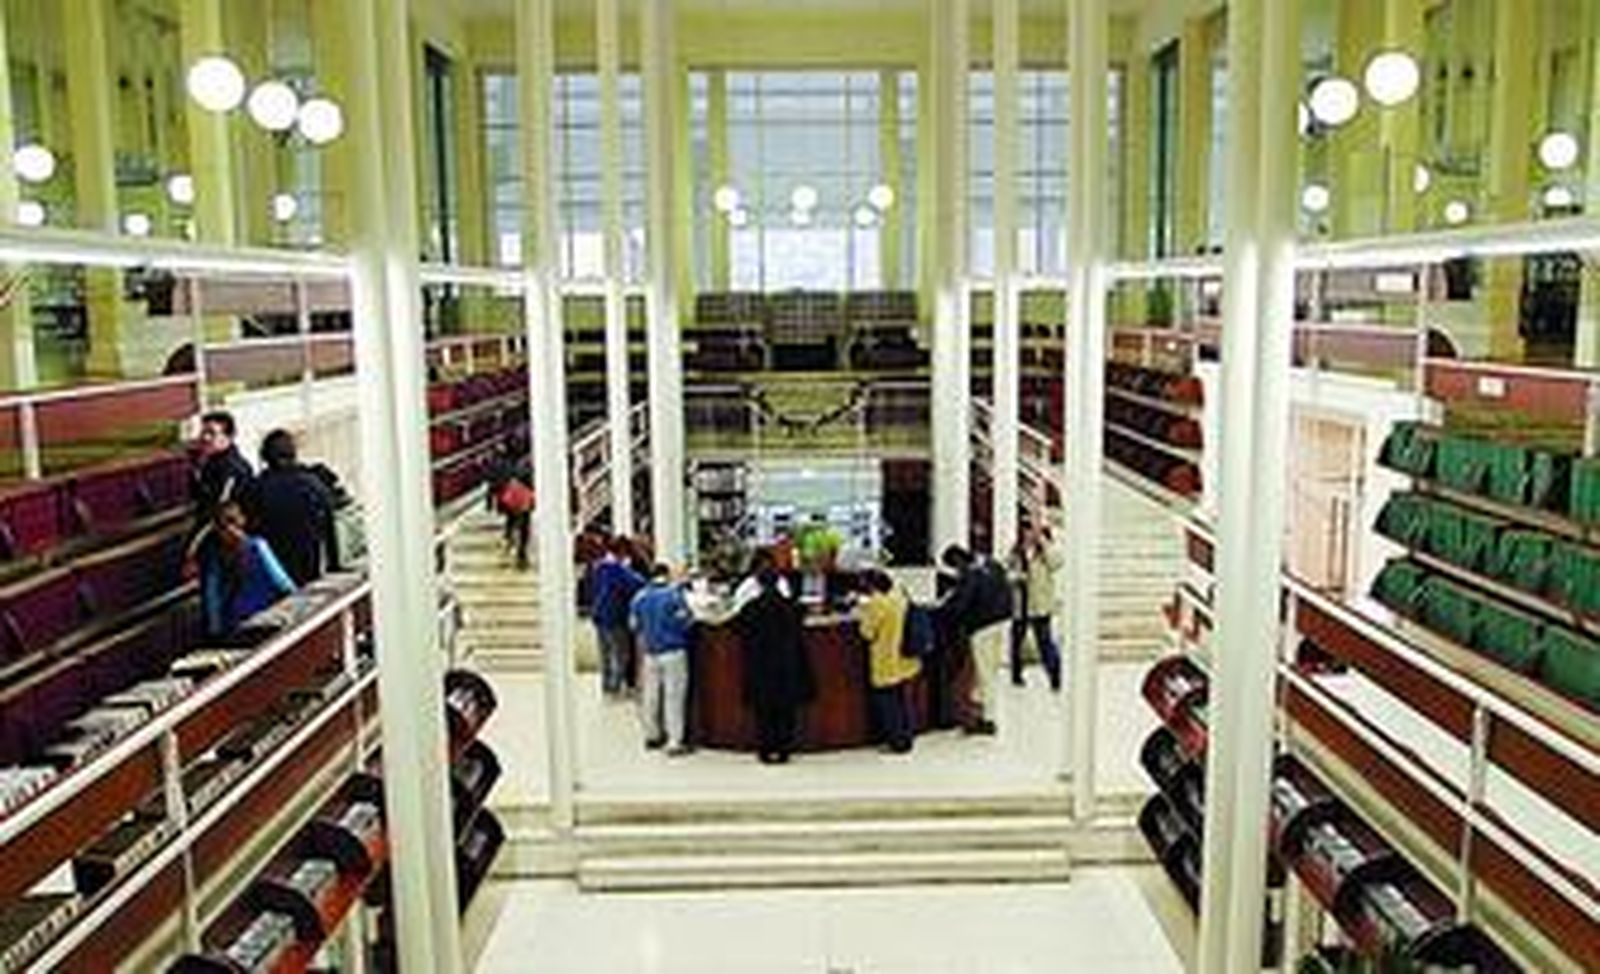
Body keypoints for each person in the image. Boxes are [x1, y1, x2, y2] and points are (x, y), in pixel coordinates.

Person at [736, 568, 813, 764]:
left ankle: (765, 751)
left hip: (760, 667)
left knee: (763, 712)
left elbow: (738, 630)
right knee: (786, 712)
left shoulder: (750, 608)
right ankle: (784, 750)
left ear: (759, 584)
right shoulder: (792, 607)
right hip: (787, 667)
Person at [246, 430, 340, 586]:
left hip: (273, 572)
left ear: (264, 456)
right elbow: (330, 528)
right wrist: (333, 565)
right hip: (310, 570)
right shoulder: (313, 484)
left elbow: (251, 531)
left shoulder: (256, 488)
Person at [936, 545, 1013, 735]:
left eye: (953, 566)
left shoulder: (970, 574)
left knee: (985, 673)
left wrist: (945, 607)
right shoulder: (990, 562)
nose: (956, 571)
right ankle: (978, 713)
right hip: (1002, 621)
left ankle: (988, 720)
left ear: (957, 561)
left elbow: (961, 604)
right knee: (989, 671)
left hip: (983, 627)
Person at [198, 501, 297, 639]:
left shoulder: (216, 559)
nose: (230, 529)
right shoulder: (257, 547)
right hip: (267, 616)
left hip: (237, 623)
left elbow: (213, 601)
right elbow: (282, 582)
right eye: (225, 525)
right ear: (243, 520)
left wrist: (216, 632)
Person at [630, 564, 695, 757]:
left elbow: (634, 625)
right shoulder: (674, 595)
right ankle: (675, 741)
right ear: (666, 575)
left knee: (651, 696)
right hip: (673, 652)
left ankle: (652, 735)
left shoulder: (639, 597)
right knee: (673, 697)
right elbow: (686, 621)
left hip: (650, 653)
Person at [857, 569, 919, 754]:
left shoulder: (877, 604)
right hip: (901, 658)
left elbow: (867, 633)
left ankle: (896, 742)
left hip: (884, 658)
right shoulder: (898, 598)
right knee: (901, 700)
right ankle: (906, 738)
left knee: (887, 703)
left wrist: (864, 611)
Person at [1007, 527, 1063, 691]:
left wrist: (1044, 543)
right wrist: (1015, 577)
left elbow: (1057, 563)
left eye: (1031, 532)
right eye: (1026, 532)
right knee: (1016, 642)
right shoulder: (1016, 552)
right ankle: (1016, 674)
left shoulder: (1044, 552)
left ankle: (1055, 676)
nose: (1029, 535)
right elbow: (1007, 571)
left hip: (1039, 605)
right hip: (1020, 604)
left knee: (1045, 642)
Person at [590, 536, 646, 698]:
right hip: (615, 616)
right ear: (622, 552)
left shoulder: (599, 567)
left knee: (605, 653)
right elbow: (637, 583)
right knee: (621, 654)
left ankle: (607, 686)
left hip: (599, 615)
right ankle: (615, 687)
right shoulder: (616, 569)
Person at [192, 411, 254, 529]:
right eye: (203, 432)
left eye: (212, 433)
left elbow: (220, 507)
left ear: (229, 437)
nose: (205, 438)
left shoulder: (233, 470)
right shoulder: (209, 464)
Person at [486, 440, 533, 569]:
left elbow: (492, 483)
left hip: (509, 498)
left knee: (512, 522)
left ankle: (511, 548)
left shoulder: (498, 462)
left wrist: (490, 501)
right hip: (522, 499)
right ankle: (520, 554)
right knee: (523, 526)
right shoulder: (525, 462)